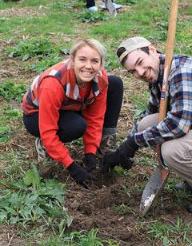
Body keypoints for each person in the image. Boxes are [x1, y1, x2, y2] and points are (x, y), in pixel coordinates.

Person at [101, 37, 192, 214]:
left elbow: (178, 125)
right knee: (146, 124)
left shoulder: (182, 72)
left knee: (171, 152)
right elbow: (149, 115)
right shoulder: (157, 76)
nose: (140, 72)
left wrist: (134, 143)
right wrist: (124, 148)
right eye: (133, 71)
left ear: (152, 50)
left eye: (140, 62)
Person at [21, 39, 123, 188]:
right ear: (72, 61)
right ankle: (45, 145)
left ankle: (105, 145)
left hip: (69, 107)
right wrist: (72, 166)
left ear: (101, 65)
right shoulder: (53, 83)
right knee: (76, 126)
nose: (88, 66)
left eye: (95, 61)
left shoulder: (100, 78)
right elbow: (48, 129)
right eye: (82, 59)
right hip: (36, 116)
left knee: (115, 83)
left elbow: (95, 118)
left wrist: (90, 153)